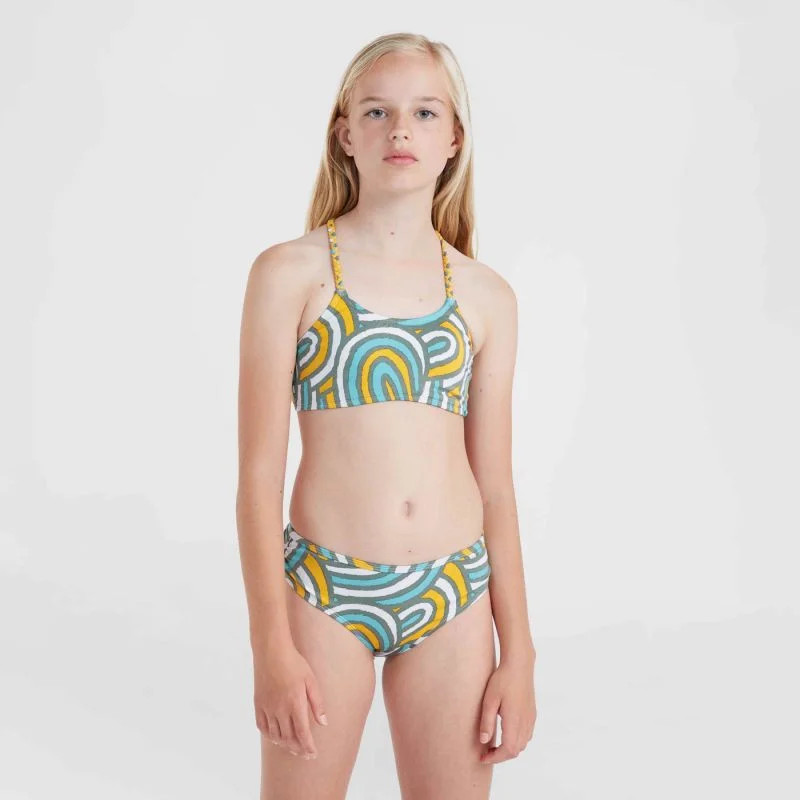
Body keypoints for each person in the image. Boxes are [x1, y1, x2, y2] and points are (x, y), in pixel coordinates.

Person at [236, 31, 537, 800]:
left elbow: (496, 488)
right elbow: (258, 478)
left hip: (453, 593)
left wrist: (520, 654)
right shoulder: (290, 274)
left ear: (454, 138)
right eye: (377, 111)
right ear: (345, 134)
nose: (400, 129)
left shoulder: (487, 297)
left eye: (424, 112)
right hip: (325, 590)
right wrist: (270, 647)